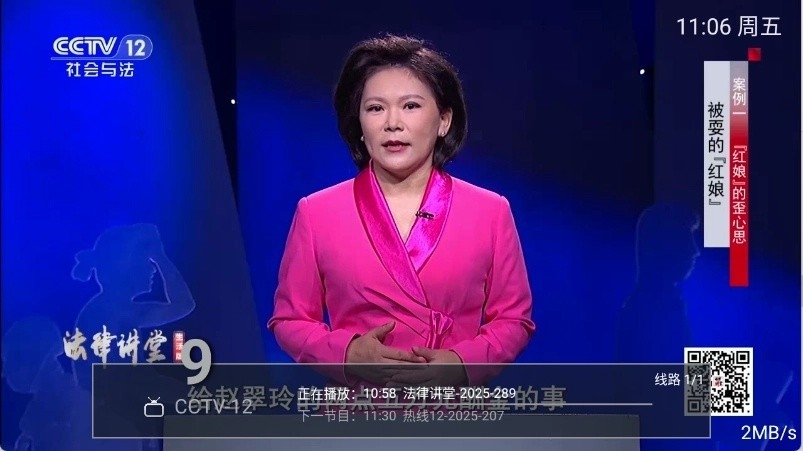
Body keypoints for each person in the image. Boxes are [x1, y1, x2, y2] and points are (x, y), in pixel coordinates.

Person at [268, 34, 535, 388]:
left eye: (410, 106)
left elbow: (514, 320)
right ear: (359, 124)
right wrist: (346, 354)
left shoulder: (490, 212)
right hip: (358, 411)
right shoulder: (316, 213)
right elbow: (289, 320)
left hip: (454, 412)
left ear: (444, 120)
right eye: (375, 108)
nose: (392, 123)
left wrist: (461, 364)